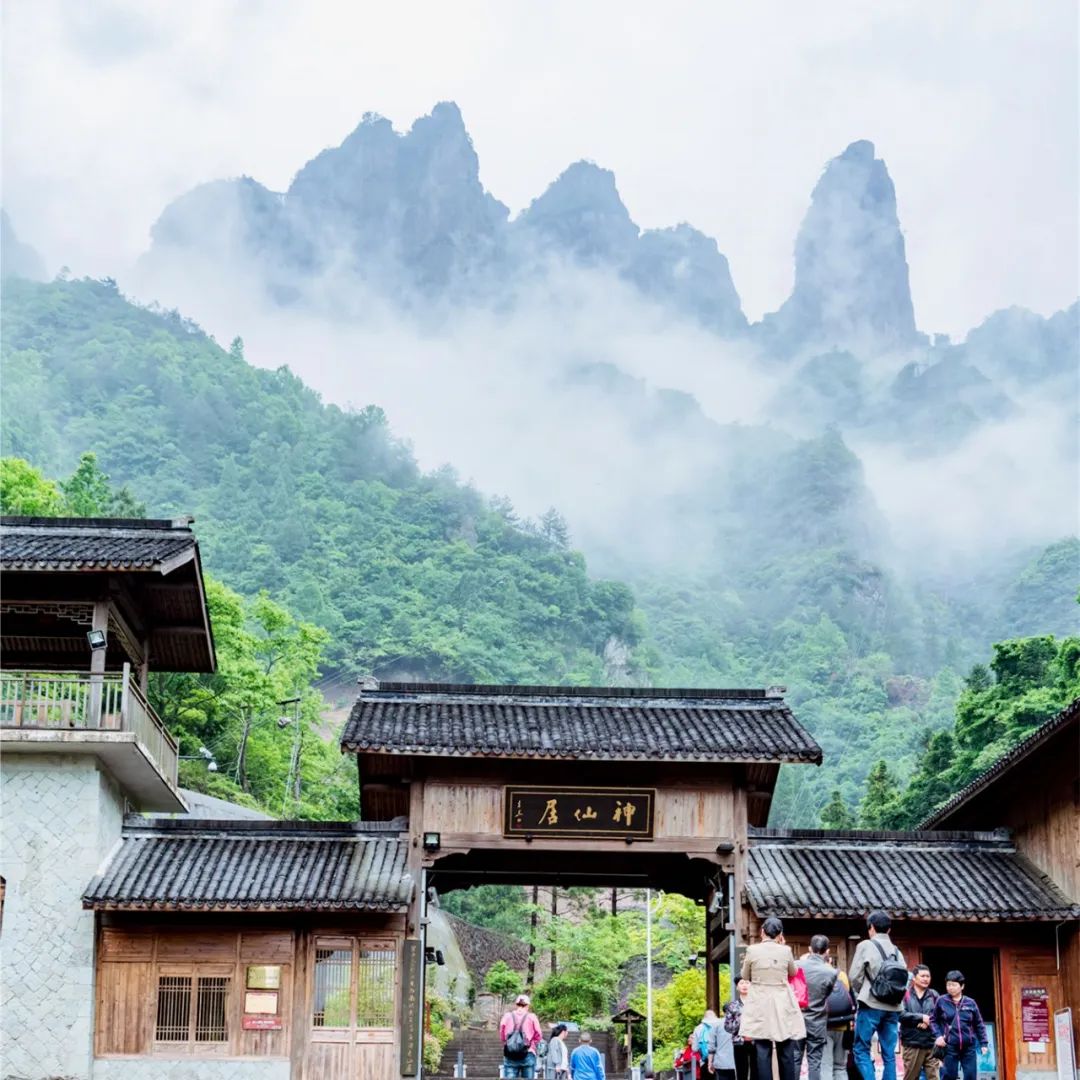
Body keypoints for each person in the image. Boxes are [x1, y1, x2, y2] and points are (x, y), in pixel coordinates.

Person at [740, 916, 806, 1080]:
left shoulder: (752, 950)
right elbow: (793, 972)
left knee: (762, 1049)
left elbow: (745, 975)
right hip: (781, 1000)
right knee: (785, 1046)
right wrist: (782, 947)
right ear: (780, 934)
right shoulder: (786, 951)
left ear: (762, 932)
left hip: (760, 1001)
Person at [849, 911, 906, 1080]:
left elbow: (854, 976)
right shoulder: (896, 950)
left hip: (871, 1006)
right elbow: (905, 978)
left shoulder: (865, 945)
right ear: (889, 929)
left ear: (871, 928)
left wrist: (863, 992)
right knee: (889, 1054)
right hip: (893, 1007)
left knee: (861, 1049)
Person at [931, 970, 989, 1080]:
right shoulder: (941, 1001)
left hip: (969, 1047)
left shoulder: (970, 1003)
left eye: (954, 985)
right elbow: (933, 1020)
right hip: (949, 1046)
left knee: (971, 1076)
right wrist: (938, 1036)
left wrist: (984, 1043)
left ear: (962, 986)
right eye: (948, 984)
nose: (950, 987)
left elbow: (979, 1024)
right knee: (948, 1076)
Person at [800, 934, 839, 1080]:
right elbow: (826, 994)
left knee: (795, 1058)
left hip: (798, 1018)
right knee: (815, 1061)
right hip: (817, 1020)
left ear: (810, 949)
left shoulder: (797, 965)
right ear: (827, 951)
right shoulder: (831, 972)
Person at [900, 965, 940, 1080]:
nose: (926, 979)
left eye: (928, 976)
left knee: (934, 1077)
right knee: (911, 1077)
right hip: (913, 1043)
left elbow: (942, 1015)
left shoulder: (934, 995)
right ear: (914, 978)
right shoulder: (904, 995)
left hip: (931, 1043)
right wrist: (921, 1017)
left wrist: (928, 1021)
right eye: (922, 976)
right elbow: (900, 1014)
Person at [499, 993, 543, 1079]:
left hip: (510, 1053)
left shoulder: (507, 1016)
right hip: (528, 1052)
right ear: (528, 1005)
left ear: (516, 1004)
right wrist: (533, 1043)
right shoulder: (532, 1017)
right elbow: (538, 1034)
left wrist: (507, 1042)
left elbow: (502, 1034)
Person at [824, 969, 856, 1080]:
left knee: (826, 1067)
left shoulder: (817, 974)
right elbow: (853, 1003)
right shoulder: (842, 975)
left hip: (825, 1026)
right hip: (843, 1026)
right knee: (840, 1067)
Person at [724, 977, 755, 1080]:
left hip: (756, 1042)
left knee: (757, 1072)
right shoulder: (732, 1006)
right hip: (739, 1042)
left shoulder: (757, 1004)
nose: (745, 985)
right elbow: (727, 1027)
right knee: (742, 1073)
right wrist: (740, 1021)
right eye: (741, 983)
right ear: (737, 987)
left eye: (747, 983)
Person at [708, 1009, 737, 1080]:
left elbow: (711, 1046)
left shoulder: (716, 1024)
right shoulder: (739, 1023)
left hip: (721, 1062)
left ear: (723, 1012)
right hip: (736, 1061)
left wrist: (710, 1063)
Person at [692, 1010, 720, 1077]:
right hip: (719, 1060)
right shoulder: (720, 1026)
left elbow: (694, 1048)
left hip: (704, 1062)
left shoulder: (698, 1028)